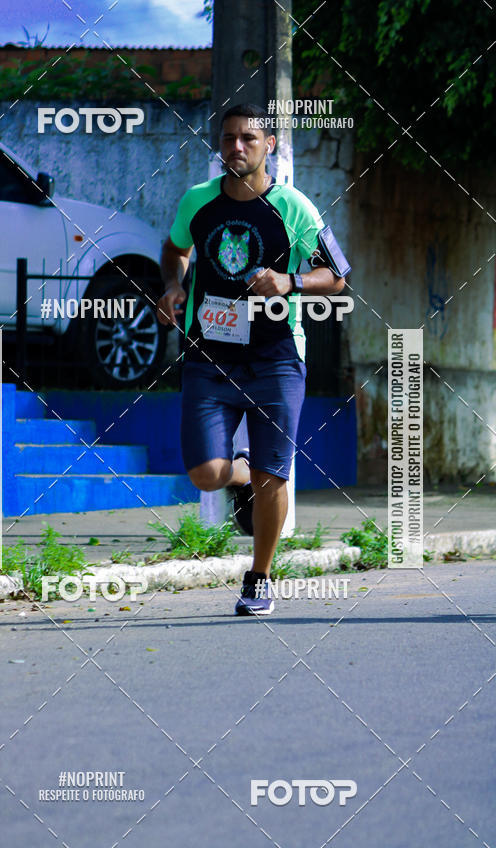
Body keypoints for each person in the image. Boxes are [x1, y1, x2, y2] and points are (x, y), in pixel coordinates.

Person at [157, 103, 348, 615]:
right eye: (227, 139)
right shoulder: (198, 202)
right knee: (205, 472)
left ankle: (259, 578)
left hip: (277, 359)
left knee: (276, 475)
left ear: (269, 147)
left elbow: (338, 276)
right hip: (209, 357)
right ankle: (241, 474)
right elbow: (175, 248)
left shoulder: (295, 209)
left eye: (247, 138)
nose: (236, 147)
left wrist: (291, 281)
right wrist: (173, 285)